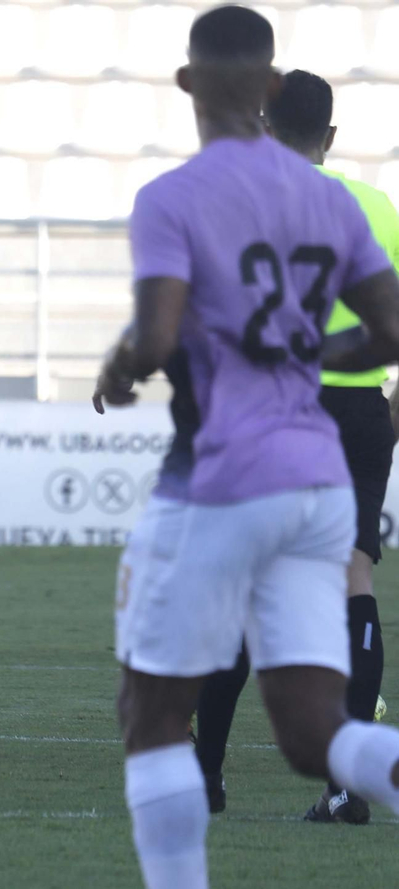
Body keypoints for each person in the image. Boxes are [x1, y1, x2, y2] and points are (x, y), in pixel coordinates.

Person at [93, 7, 399, 887]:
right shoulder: (330, 197)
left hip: (222, 478)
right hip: (318, 483)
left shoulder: (174, 198)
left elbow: (155, 339)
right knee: (316, 734)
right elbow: (388, 329)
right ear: (270, 87)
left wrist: (120, 369)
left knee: (151, 712)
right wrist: (310, 352)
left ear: (187, 85)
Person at [190, 68, 399, 824]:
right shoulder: (379, 206)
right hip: (360, 413)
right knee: (354, 578)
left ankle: (205, 777)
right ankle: (349, 785)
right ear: (333, 137)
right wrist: (387, 421)